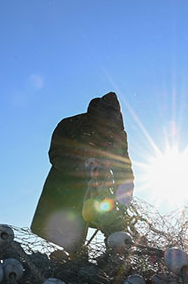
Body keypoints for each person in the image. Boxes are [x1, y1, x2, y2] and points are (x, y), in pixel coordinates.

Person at [31, 92, 135, 255]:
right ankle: (76, 261)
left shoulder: (117, 135)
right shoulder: (70, 125)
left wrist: (125, 190)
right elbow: (56, 154)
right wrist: (81, 165)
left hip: (100, 189)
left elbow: (123, 166)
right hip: (66, 186)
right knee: (72, 236)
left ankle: (114, 263)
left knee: (116, 228)